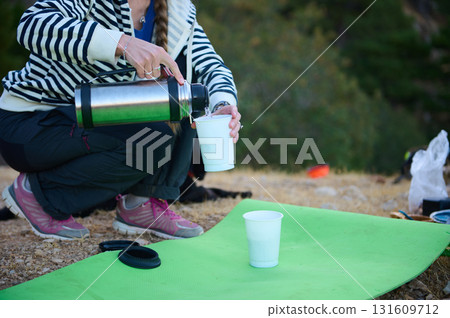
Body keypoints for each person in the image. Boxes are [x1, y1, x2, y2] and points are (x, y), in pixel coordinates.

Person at [0, 0, 241, 240]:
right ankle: (39, 194)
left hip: (97, 120)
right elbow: (31, 24)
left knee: (188, 98)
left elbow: (211, 67)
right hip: (33, 124)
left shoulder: (178, 10)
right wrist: (122, 43)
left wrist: (222, 104)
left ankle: (142, 203)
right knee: (147, 134)